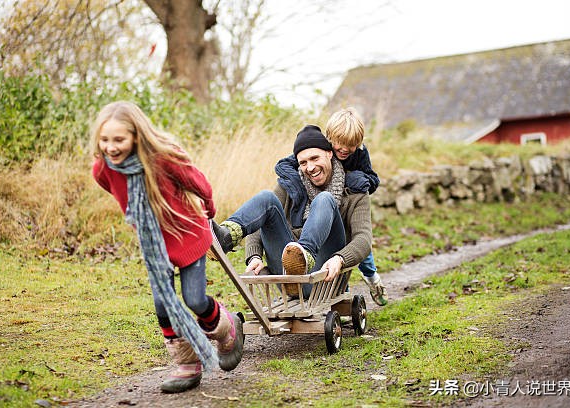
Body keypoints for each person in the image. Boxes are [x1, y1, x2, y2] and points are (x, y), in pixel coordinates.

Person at [90, 101, 243, 394]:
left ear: (136, 136)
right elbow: (118, 191)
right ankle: (187, 364)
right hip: (155, 244)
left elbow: (198, 183)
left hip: (188, 234)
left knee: (195, 299)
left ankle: (228, 328)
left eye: (119, 140)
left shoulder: (161, 160)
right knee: (162, 303)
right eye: (105, 139)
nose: (111, 147)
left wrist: (208, 208)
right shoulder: (103, 169)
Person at [212, 124, 373, 298]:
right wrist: (254, 256)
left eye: (314, 158)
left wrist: (340, 259)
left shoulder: (356, 190)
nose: (310, 167)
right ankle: (226, 236)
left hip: (324, 277)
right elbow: (258, 220)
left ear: (329, 153)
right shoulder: (290, 185)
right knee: (267, 198)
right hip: (288, 277)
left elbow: (364, 239)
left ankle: (305, 254)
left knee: (325, 199)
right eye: (303, 162)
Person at [271, 108, 388, 306]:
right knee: (331, 240)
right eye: (338, 144)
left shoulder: (360, 154)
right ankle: (337, 291)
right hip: (326, 207)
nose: (343, 149)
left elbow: (372, 179)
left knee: (362, 252)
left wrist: (356, 180)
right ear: (329, 139)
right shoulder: (319, 149)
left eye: (350, 146)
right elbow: (290, 162)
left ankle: (372, 280)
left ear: (358, 143)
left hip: (348, 206)